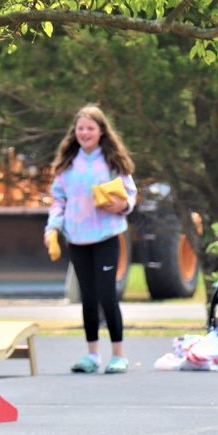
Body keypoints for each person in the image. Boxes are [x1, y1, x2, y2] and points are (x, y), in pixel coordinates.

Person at [44, 105, 137, 374]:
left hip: (106, 236)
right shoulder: (66, 165)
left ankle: (118, 354)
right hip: (77, 238)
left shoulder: (112, 162)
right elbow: (58, 201)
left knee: (107, 295)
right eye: (81, 128)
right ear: (75, 132)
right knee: (88, 297)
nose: (85, 133)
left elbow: (130, 194)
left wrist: (122, 206)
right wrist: (52, 229)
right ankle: (92, 354)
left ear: (101, 131)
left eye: (90, 128)